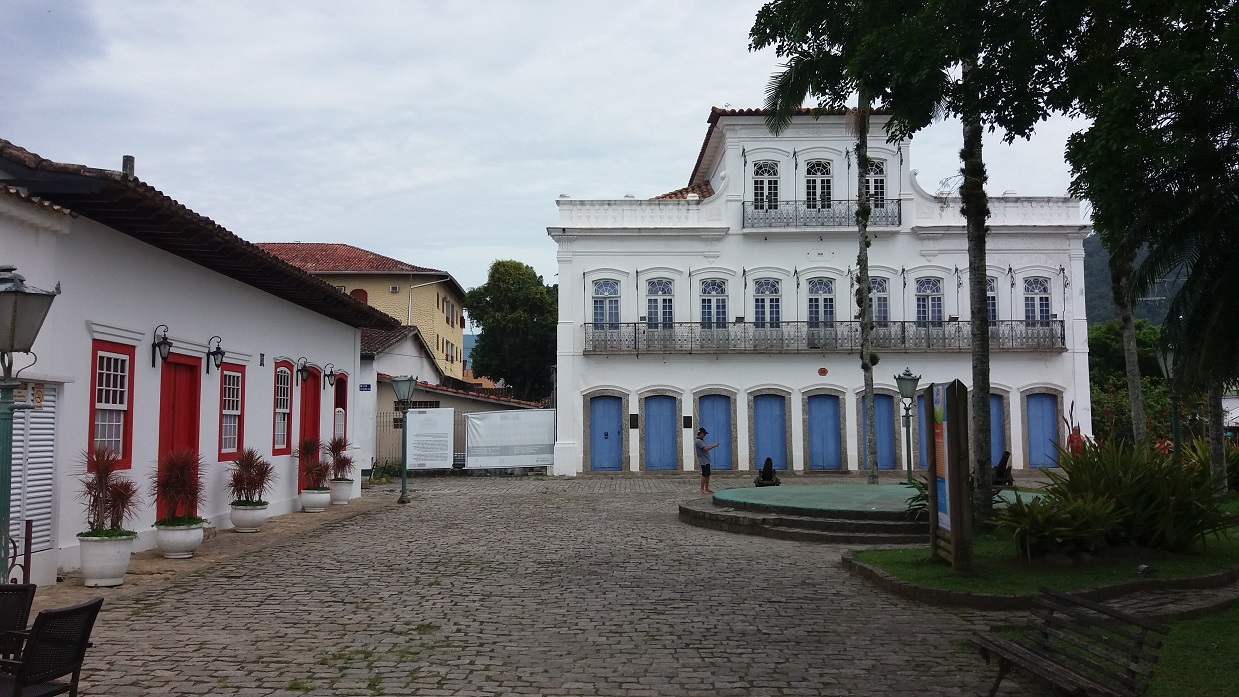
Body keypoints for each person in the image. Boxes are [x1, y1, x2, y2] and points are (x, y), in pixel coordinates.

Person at [695, 427, 719, 494]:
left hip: (706, 460)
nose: (705, 435)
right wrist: (713, 445)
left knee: (708, 474)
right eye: (704, 434)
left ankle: (707, 488)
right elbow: (705, 448)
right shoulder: (698, 441)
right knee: (704, 475)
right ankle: (702, 489)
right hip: (703, 461)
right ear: (701, 433)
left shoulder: (701, 440)